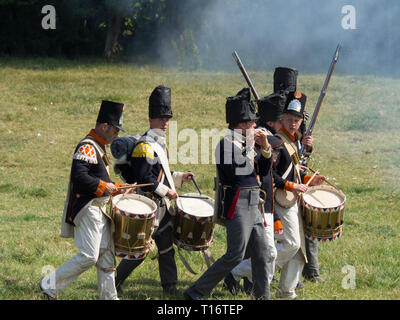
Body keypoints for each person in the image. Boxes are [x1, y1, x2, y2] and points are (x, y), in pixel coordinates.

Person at [184, 88, 273, 300]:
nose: (254, 126)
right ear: (241, 124)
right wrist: (253, 144)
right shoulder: (225, 145)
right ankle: (195, 293)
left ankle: (262, 297)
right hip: (238, 201)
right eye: (251, 123)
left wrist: (266, 147)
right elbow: (238, 171)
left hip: (254, 201)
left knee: (262, 254)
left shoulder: (244, 143)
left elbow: (262, 168)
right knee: (235, 255)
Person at [39, 100, 128, 300]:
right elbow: (80, 178)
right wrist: (105, 187)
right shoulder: (88, 146)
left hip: (100, 209)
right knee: (89, 256)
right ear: (105, 126)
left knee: (106, 256)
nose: (117, 134)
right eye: (115, 130)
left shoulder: (99, 146)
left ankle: (109, 298)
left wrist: (118, 189)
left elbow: (98, 178)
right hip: (88, 208)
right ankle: (49, 285)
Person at [113, 85, 193, 295]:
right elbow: (145, 180)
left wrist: (178, 177)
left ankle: (170, 287)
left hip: (162, 207)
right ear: (151, 119)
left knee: (167, 248)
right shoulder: (144, 147)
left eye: (167, 118)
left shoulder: (160, 145)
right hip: (150, 205)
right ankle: (114, 282)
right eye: (161, 118)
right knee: (141, 251)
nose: (165, 123)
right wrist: (168, 192)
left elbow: (161, 172)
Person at [273, 66, 324, 285]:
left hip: (296, 182)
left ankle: (309, 270)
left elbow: (300, 159)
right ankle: (286, 276)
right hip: (283, 189)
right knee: (285, 235)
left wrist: (308, 147)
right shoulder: (273, 113)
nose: (294, 121)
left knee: (307, 227)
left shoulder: (298, 113)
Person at [225, 134, 284, 295]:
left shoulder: (268, 167)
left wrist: (276, 219)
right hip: (258, 211)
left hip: (268, 213)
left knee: (265, 255)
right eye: (274, 151)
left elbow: (270, 196)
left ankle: (255, 286)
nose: (276, 155)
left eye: (276, 151)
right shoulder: (257, 166)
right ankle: (233, 273)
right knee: (269, 253)